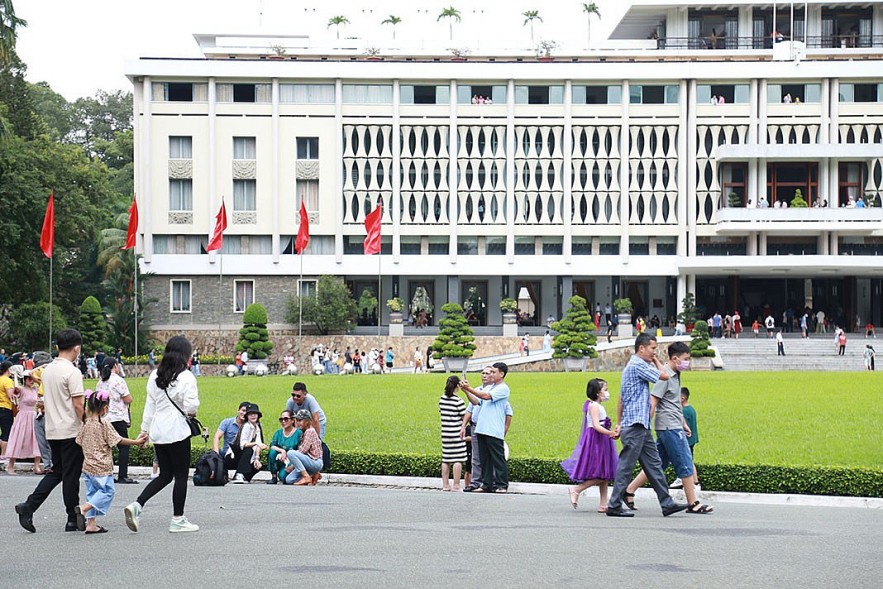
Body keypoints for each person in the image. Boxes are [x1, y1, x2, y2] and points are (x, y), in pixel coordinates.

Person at [623, 342, 712, 515]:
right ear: (675, 358)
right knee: (685, 461)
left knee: (658, 464)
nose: (688, 362)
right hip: (669, 426)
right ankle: (693, 503)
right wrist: (642, 424)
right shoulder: (665, 375)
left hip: (673, 424)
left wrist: (683, 423)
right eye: (686, 359)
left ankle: (628, 491)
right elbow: (653, 400)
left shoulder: (675, 374)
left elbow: (673, 403)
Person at [125, 335, 200, 533]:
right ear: (186, 354)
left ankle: (138, 504)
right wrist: (190, 411)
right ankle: (178, 519)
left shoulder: (155, 375)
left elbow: (150, 405)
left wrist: (143, 430)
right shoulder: (186, 376)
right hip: (177, 431)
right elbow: (191, 406)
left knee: (165, 475)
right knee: (181, 476)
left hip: (158, 430)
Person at [606, 333, 687, 518]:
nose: (654, 352)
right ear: (641, 348)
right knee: (626, 466)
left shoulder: (634, 365)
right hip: (635, 425)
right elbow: (665, 376)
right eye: (652, 348)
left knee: (654, 465)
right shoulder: (638, 365)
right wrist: (657, 361)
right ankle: (614, 504)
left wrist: (619, 422)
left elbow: (620, 398)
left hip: (640, 425)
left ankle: (666, 503)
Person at [15, 329, 87, 534]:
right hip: (70, 430)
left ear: (57, 347)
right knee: (71, 477)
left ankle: (29, 506)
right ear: (77, 348)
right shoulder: (72, 372)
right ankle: (72, 518)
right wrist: (88, 421)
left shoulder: (48, 371)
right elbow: (78, 404)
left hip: (52, 429)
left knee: (58, 472)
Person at [75, 389, 147, 533]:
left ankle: (91, 524)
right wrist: (136, 442)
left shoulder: (86, 423)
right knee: (107, 492)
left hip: (88, 466)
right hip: (102, 467)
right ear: (105, 408)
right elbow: (118, 440)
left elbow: (79, 441)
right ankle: (84, 508)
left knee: (92, 493)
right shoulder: (104, 424)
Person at [560, 378, 619, 512]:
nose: (607, 392)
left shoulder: (598, 406)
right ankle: (576, 489)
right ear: (598, 393)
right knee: (599, 473)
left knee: (605, 473)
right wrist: (610, 433)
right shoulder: (593, 406)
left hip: (603, 440)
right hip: (597, 441)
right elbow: (596, 425)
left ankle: (603, 504)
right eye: (605, 390)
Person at [458, 362, 511, 493]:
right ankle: (486, 484)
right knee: (484, 459)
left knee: (498, 458)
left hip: (493, 429)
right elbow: (476, 401)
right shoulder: (489, 388)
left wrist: (469, 388)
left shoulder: (503, 388)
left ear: (501, 374)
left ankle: (501, 484)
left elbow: (485, 397)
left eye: (493, 372)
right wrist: (465, 390)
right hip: (482, 428)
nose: (491, 375)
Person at [96, 358, 136, 484]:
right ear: (115, 366)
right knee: (123, 446)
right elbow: (128, 399)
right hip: (118, 417)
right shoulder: (118, 381)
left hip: (104, 418)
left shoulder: (100, 382)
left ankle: (105, 475)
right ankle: (122, 475)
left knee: (106, 448)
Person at [2, 370, 43, 475]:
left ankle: (36, 466)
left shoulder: (35, 389)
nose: (31, 381)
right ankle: (10, 465)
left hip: (32, 416)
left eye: (31, 379)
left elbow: (42, 383)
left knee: (36, 440)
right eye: (28, 379)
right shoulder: (22, 389)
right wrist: (17, 376)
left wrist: (32, 377)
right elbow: (15, 389)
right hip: (22, 417)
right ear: (24, 380)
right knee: (18, 439)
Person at [439, 375, 468, 492]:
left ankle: (445, 485)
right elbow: (464, 417)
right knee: (458, 459)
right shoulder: (459, 401)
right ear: (458, 386)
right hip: (457, 432)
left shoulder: (442, 399)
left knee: (446, 459)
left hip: (445, 432)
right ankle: (456, 485)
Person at [283, 409, 324, 485]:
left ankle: (306, 477)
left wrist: (291, 463)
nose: (298, 423)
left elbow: (303, 450)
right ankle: (314, 475)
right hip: (308, 462)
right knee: (289, 480)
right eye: (297, 420)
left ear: (307, 422)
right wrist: (293, 465)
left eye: (300, 420)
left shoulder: (310, 431)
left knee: (291, 453)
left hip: (315, 462)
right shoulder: (304, 432)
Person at [671, 387, 700, 489]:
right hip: (692, 440)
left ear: (682, 398)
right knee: (689, 460)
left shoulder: (683, 411)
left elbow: (682, 426)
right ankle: (694, 482)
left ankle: (691, 482)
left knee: (687, 460)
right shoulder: (691, 409)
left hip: (686, 440)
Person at [231, 404, 267, 483]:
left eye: (255, 413)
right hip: (235, 454)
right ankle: (239, 474)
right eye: (250, 414)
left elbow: (259, 444)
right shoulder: (246, 426)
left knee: (260, 465)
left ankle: (246, 477)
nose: (253, 416)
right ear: (247, 416)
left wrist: (257, 458)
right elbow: (243, 444)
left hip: (248, 454)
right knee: (248, 450)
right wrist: (256, 443)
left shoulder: (257, 427)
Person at [266, 409, 302, 484]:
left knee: (283, 478)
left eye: (286, 419)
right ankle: (274, 476)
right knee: (272, 452)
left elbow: (301, 450)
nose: (283, 421)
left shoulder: (298, 433)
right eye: (281, 419)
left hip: (291, 461)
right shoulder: (278, 433)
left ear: (292, 420)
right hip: (279, 458)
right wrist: (282, 451)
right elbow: (272, 446)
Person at [213, 401, 250, 473]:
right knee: (213, 453)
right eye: (243, 410)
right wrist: (216, 453)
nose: (244, 413)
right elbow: (216, 437)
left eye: (247, 412)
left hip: (242, 456)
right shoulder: (227, 422)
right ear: (238, 410)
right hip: (227, 455)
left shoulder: (250, 426)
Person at [0, 360, 16, 461]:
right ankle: (3, 454)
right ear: (9, 369)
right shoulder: (7, 381)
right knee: (6, 432)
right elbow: (11, 396)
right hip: (5, 408)